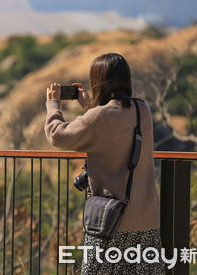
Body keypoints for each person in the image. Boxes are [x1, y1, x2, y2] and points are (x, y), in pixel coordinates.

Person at [44, 53, 165, 275]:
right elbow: (113, 128)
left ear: (98, 82)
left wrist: (53, 104)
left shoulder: (100, 117)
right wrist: (89, 107)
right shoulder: (142, 110)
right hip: (147, 219)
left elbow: (57, 135)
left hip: (111, 222)